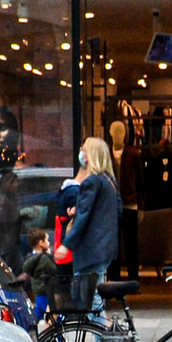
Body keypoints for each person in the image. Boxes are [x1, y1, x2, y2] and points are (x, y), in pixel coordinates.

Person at [58, 137, 122, 321]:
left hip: (92, 250)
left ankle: (102, 337)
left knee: (86, 294)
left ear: (90, 155)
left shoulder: (91, 182)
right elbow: (115, 210)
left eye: (83, 149)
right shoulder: (109, 180)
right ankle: (101, 338)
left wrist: (66, 244)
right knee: (92, 293)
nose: (81, 153)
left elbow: (84, 216)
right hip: (106, 248)